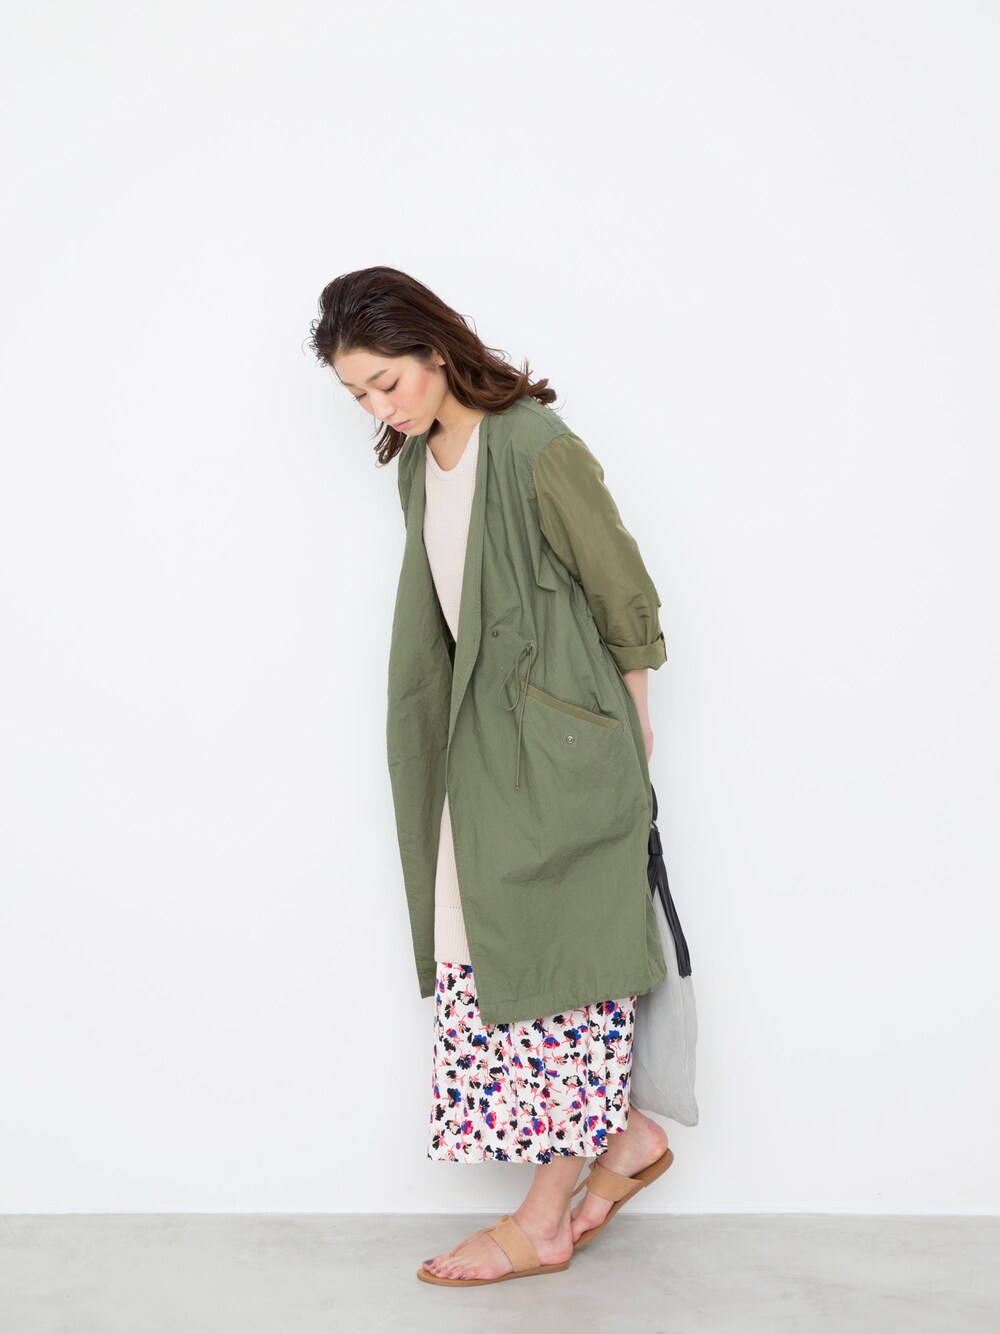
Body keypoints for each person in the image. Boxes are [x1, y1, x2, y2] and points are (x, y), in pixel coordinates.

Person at [308, 266, 675, 1286]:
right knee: (490, 954)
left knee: (561, 966)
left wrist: (630, 720)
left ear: (433, 349)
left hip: (559, 748)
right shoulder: (419, 466)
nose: (378, 409)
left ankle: (544, 1220)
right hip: (480, 751)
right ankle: (626, 1137)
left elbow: (621, 584)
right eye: (358, 395)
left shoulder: (533, 445)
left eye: (386, 382)